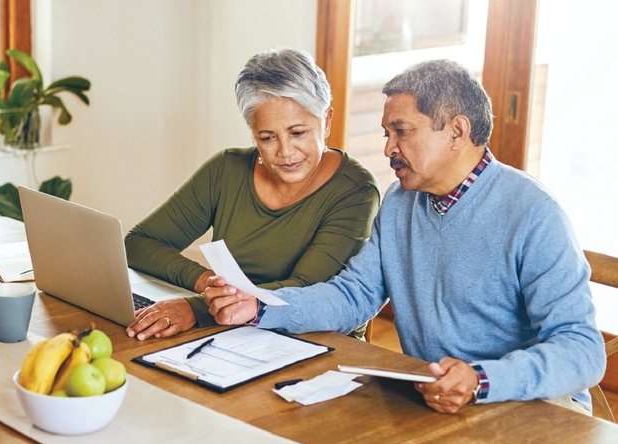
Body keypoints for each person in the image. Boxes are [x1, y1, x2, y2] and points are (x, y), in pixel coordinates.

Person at [204, 59, 606, 415]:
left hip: (533, 409)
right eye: (386, 133)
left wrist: (481, 380)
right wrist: (259, 306)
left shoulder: (533, 213)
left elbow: (583, 352)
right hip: (436, 401)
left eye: (401, 131)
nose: (388, 149)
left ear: (457, 131)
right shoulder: (400, 202)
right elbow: (354, 295)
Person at [124, 48, 380, 341]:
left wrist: (196, 309)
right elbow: (139, 243)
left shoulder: (355, 190)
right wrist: (208, 283)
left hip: (314, 342)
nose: (285, 152)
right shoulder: (226, 169)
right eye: (267, 137)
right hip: (231, 335)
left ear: (326, 121)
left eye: (298, 133)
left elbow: (307, 289)